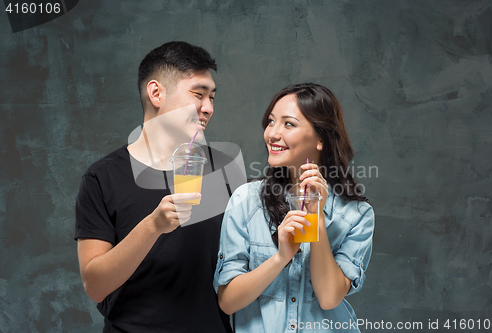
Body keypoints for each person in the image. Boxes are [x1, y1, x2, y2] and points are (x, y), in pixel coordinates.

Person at [75, 41, 244, 332]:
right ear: (156, 93)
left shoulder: (226, 171)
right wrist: (153, 225)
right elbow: (95, 285)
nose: (208, 108)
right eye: (198, 95)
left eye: (212, 97)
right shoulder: (102, 178)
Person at [213, 83, 375, 332]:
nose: (273, 134)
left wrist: (317, 217)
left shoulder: (356, 215)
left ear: (321, 138)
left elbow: (329, 297)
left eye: (288, 124)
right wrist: (281, 257)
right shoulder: (245, 201)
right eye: (270, 122)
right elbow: (228, 301)